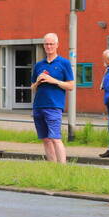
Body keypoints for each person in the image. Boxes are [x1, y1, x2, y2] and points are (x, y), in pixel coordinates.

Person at [30, 32, 75, 164]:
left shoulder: (64, 63)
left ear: (57, 45)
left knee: (55, 138)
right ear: (43, 46)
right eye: (46, 44)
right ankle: (52, 166)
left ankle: (62, 168)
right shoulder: (38, 65)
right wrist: (38, 82)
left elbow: (71, 86)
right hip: (38, 105)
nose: (49, 46)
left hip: (54, 106)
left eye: (51, 44)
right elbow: (32, 87)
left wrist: (53, 80)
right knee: (45, 139)